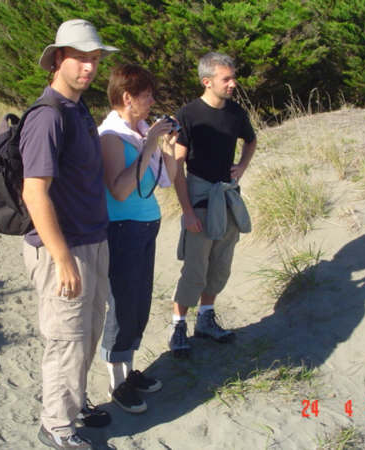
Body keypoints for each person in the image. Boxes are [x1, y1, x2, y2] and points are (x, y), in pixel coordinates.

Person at [20, 19, 118, 450]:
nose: (89, 67)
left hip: (91, 239)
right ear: (58, 59)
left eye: (94, 59)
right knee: (66, 339)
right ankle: (56, 426)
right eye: (80, 58)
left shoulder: (77, 109)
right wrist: (61, 258)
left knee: (88, 331)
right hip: (63, 248)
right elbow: (34, 192)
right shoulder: (48, 116)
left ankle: (73, 405)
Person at [97, 64, 177, 413]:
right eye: (146, 95)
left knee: (140, 301)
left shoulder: (140, 131)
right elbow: (119, 189)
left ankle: (128, 372)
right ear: (127, 97)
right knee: (123, 304)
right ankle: (117, 382)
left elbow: (166, 179)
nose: (152, 101)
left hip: (145, 225)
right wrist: (149, 145)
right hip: (122, 228)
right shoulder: (110, 136)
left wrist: (167, 146)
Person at [168, 52, 257, 358]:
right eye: (226, 79)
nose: (233, 83)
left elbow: (251, 141)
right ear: (207, 82)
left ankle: (205, 319)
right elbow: (177, 167)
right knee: (195, 267)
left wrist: (241, 166)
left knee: (220, 264)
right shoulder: (188, 115)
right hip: (200, 196)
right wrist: (187, 212)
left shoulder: (235, 112)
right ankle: (178, 326)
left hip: (228, 196)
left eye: (233, 77)